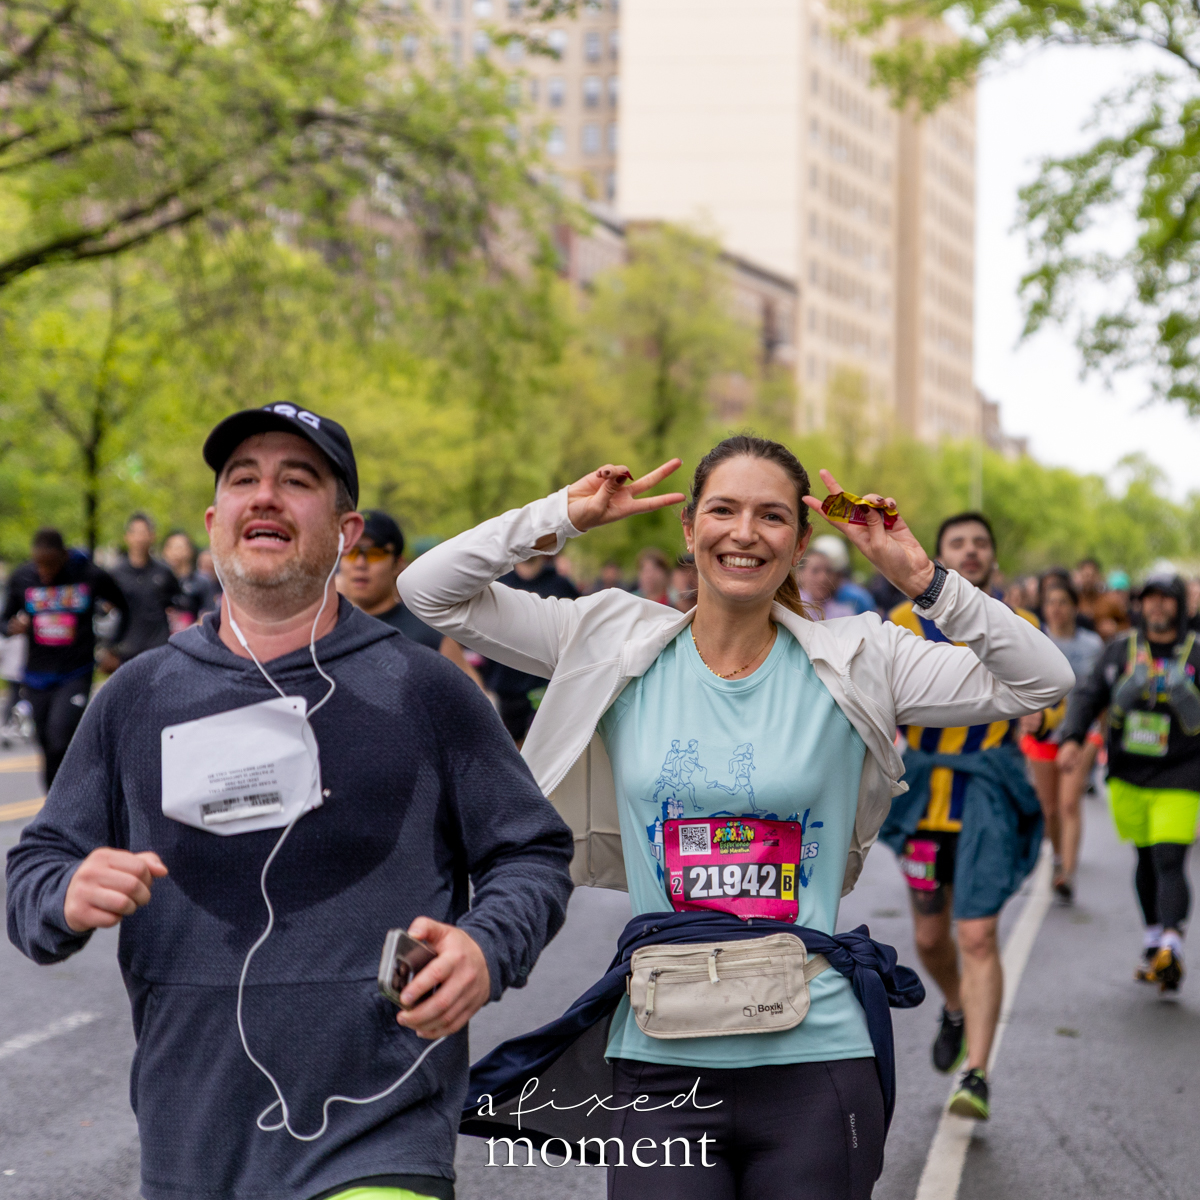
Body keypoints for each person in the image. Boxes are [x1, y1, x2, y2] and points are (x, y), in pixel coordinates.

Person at [398, 437, 1072, 1196]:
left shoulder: (860, 656)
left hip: (817, 1061)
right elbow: (430, 591)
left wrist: (918, 576)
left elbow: (1041, 679)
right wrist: (563, 516)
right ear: (689, 530)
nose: (744, 533)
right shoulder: (614, 639)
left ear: (800, 540)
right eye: (723, 510)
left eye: (771, 516)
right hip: (661, 1058)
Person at [6, 405, 574, 1200]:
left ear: (344, 531)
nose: (265, 496)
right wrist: (64, 893)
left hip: (380, 1131)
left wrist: (485, 947)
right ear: (214, 522)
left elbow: (531, 852)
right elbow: (33, 871)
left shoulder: (427, 689)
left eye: (296, 481)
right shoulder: (135, 698)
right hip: (190, 1145)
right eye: (244, 479)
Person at [883, 511, 1047, 1121]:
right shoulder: (901, 624)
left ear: (993, 560)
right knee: (930, 935)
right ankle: (954, 1005)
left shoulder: (1018, 626)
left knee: (976, 933)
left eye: (981, 543)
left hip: (988, 798)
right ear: (939, 552)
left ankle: (976, 1072)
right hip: (924, 801)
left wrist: (1044, 720)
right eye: (959, 542)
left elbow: (1048, 701)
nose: (971, 551)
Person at [1059, 573, 1200, 994]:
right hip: (1128, 772)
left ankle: (1172, 943)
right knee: (1145, 856)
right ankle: (1154, 938)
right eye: (1150, 600)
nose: (1157, 607)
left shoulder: (1196, 653)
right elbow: (1087, 696)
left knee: (1169, 857)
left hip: (1182, 771)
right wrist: (1071, 736)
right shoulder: (1120, 650)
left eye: (1166, 600)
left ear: (1180, 605)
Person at [1, 529, 129, 787]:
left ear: (64, 556)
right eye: (39, 565)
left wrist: (113, 648)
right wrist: (11, 627)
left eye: (50, 565)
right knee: (46, 743)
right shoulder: (23, 578)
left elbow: (123, 608)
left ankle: (72, 798)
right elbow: (4, 620)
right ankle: (55, 805)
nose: (44, 572)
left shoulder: (88, 575)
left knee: (61, 738)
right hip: (36, 674)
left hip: (75, 671)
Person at [1019, 577, 1103, 902]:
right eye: (1050, 603)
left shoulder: (1092, 645)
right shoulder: (1033, 640)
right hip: (1042, 735)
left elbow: (1101, 693)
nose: (1056, 609)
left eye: (1063, 602)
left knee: (1069, 803)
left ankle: (1067, 873)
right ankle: (1056, 858)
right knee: (1049, 808)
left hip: (1080, 735)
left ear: (1074, 607)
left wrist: (1100, 736)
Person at [336, 508, 483, 687]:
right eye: (350, 552)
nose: (360, 564)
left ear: (398, 564)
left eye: (374, 554)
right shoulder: (321, 629)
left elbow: (475, 696)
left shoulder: (428, 632)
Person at [483, 553, 579, 744]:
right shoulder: (499, 584)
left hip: (549, 683)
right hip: (507, 684)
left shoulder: (560, 584)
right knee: (513, 750)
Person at [107, 512, 181, 670]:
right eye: (135, 532)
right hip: (126, 647)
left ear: (152, 536)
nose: (140, 538)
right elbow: (105, 606)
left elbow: (178, 599)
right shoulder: (116, 573)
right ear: (127, 536)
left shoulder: (164, 572)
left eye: (144, 532)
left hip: (158, 645)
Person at [161, 530, 219, 631]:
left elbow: (209, 613)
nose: (175, 552)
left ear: (190, 550)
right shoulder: (158, 581)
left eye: (179, 547)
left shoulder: (202, 582)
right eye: (171, 547)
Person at [811, 534, 876, 616]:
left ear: (838, 573)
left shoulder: (855, 597)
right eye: (815, 571)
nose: (822, 578)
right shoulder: (805, 596)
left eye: (828, 572)